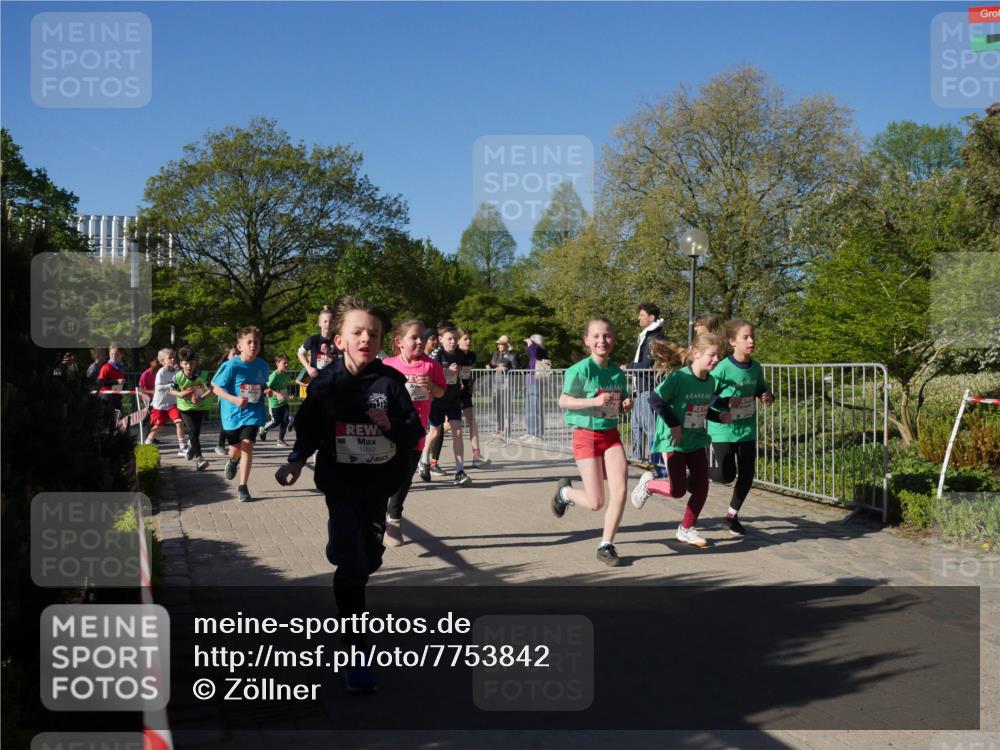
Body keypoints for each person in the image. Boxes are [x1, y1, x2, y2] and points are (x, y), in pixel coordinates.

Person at [274, 296, 424, 693]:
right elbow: (308, 428)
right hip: (340, 485)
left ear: (380, 342)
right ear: (339, 340)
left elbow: (414, 434)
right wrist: (294, 460)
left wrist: (388, 423)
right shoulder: (326, 384)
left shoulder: (390, 384)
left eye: (372, 333)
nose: (365, 338)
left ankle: (348, 552)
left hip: (377, 486)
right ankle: (357, 651)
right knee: (353, 566)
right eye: (357, 332)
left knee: (368, 561)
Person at [630, 334, 733, 548]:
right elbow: (655, 400)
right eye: (712, 355)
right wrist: (674, 425)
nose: (716, 360)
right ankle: (648, 485)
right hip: (673, 440)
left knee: (702, 487)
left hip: (696, 439)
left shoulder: (710, 381)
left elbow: (702, 410)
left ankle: (686, 529)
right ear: (695, 353)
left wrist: (719, 416)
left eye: (718, 356)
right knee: (677, 491)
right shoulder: (679, 378)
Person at [550, 318, 633, 566]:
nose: (602, 341)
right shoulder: (579, 370)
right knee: (596, 502)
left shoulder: (618, 373)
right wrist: (594, 402)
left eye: (606, 336)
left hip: (610, 435)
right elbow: (563, 401)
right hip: (585, 435)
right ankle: (564, 492)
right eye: (596, 336)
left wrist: (626, 406)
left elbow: (620, 403)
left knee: (620, 492)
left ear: (613, 340)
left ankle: (606, 545)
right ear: (587, 340)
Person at [707, 319, 774, 535]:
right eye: (745, 337)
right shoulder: (722, 368)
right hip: (723, 429)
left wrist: (767, 396)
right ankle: (693, 476)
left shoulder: (756, 367)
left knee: (747, 474)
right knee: (725, 475)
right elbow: (708, 396)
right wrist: (726, 404)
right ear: (732, 341)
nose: (751, 340)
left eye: (752, 336)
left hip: (746, 430)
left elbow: (762, 389)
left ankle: (731, 516)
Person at [383, 319, 446, 544]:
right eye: (414, 337)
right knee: (385, 476)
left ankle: (394, 518)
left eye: (422, 337)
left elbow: (440, 393)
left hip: (417, 433)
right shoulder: (388, 366)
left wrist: (431, 386)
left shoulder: (431, 366)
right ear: (399, 342)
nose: (420, 341)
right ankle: (379, 519)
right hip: (390, 432)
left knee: (406, 476)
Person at [212, 327, 269, 503]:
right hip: (232, 414)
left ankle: (243, 487)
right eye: (249, 342)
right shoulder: (230, 366)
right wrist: (234, 399)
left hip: (253, 412)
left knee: (247, 446)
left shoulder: (263, 365)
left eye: (256, 342)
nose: (253, 345)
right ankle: (232, 461)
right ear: (239, 346)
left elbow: (262, 385)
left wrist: (268, 391)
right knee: (235, 449)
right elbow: (215, 388)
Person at [424, 327, 472, 486]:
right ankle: (424, 459)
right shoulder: (436, 354)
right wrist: (447, 372)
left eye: (454, 339)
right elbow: (430, 376)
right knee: (435, 431)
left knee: (457, 431)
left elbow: (460, 373)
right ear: (441, 339)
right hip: (437, 400)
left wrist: (460, 382)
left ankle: (459, 471)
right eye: (449, 339)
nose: (452, 341)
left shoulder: (459, 354)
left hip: (453, 399)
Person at [624, 302, 668, 472]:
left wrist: (627, 367)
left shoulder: (654, 338)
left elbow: (648, 364)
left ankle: (656, 461)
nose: (638, 318)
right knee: (636, 425)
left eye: (642, 315)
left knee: (650, 426)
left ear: (652, 318)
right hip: (639, 386)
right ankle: (638, 457)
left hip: (648, 385)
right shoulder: (646, 336)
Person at [170, 347, 213, 471]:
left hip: (199, 407)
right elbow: (171, 391)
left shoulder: (202, 375)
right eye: (186, 363)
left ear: (196, 363)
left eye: (192, 363)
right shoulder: (177, 376)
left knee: (196, 432)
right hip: (185, 408)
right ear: (181, 364)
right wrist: (181, 394)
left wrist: (201, 398)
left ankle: (191, 448)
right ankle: (200, 459)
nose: (189, 366)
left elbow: (212, 389)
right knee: (192, 430)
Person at [457, 328, 490, 468]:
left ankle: (476, 455)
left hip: (465, 393)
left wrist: (472, 385)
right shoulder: (453, 355)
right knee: (444, 426)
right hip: (452, 393)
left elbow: (467, 373)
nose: (469, 341)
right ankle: (429, 444)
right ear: (458, 341)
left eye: (469, 338)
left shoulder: (472, 355)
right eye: (465, 339)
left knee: (472, 422)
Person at [145, 349, 186, 456]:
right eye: (170, 358)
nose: (173, 359)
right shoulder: (161, 372)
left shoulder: (177, 371)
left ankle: (182, 447)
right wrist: (171, 385)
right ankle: (147, 442)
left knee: (179, 422)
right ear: (163, 362)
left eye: (174, 357)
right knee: (158, 427)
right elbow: (158, 388)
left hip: (173, 403)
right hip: (160, 405)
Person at [486, 335, 517, 435]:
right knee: (497, 406)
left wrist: (506, 369)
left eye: (501, 344)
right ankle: (499, 426)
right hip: (496, 384)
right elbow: (492, 366)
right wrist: (488, 367)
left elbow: (517, 370)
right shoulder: (495, 354)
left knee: (506, 407)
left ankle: (507, 428)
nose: (499, 346)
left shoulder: (513, 355)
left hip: (507, 384)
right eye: (498, 344)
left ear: (507, 345)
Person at [260, 355, 292, 446]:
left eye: (287, 363)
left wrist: (289, 395)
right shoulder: (274, 375)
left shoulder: (286, 376)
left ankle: (280, 440)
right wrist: (277, 394)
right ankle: (264, 429)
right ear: (277, 364)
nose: (286, 365)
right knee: (276, 421)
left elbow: (284, 388)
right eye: (284, 363)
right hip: (274, 403)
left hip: (284, 402)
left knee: (285, 420)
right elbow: (267, 388)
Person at [297, 305, 337, 378]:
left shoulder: (338, 339)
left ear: (334, 323)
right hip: (317, 379)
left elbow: (342, 361)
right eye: (325, 321)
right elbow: (300, 353)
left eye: (330, 322)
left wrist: (328, 355)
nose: (328, 324)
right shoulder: (312, 339)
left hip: (333, 378)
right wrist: (308, 368)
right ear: (319, 323)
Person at [213, 345, 238, 456]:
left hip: (236, 400)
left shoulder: (240, 366)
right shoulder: (225, 365)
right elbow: (213, 382)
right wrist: (223, 390)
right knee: (226, 424)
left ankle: (235, 445)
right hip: (225, 401)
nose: (236, 356)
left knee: (235, 423)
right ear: (227, 356)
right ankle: (220, 445)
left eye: (238, 353)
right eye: (233, 354)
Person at [524, 333, 549, 441]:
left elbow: (533, 353)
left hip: (537, 382)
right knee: (529, 407)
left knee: (535, 407)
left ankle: (537, 434)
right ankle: (530, 432)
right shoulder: (535, 351)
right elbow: (529, 352)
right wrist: (530, 344)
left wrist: (530, 343)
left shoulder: (540, 352)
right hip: (531, 382)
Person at [96, 345, 126, 418]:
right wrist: (116, 381)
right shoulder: (106, 367)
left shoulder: (121, 367)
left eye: (117, 354)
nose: (114, 356)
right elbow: (99, 383)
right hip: (106, 398)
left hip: (117, 397)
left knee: (120, 420)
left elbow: (119, 383)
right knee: (107, 420)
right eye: (111, 354)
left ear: (122, 355)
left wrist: (123, 385)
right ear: (109, 354)